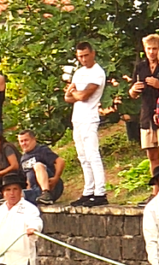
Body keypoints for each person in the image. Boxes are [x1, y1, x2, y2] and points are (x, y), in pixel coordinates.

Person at [66, 42, 108, 208]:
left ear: (92, 54)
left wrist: (74, 93)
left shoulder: (97, 73)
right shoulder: (79, 73)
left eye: (85, 55)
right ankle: (88, 190)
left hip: (90, 117)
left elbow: (83, 95)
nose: (83, 59)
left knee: (92, 155)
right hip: (77, 118)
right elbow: (67, 98)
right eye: (80, 56)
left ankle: (100, 191)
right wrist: (75, 94)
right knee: (82, 156)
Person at [129, 34, 159, 205]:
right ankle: (155, 193)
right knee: (152, 155)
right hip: (147, 115)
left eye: (155, 48)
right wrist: (134, 89)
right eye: (149, 49)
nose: (152, 52)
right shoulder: (140, 67)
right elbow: (131, 93)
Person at [18, 130, 65, 205]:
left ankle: (46, 193)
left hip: (51, 186)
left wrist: (56, 178)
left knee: (38, 165)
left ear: (34, 139)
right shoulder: (23, 158)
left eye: (26, 140)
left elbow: (60, 161)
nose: (24, 143)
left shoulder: (41, 150)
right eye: (21, 141)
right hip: (35, 190)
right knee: (14, 195)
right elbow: (28, 178)